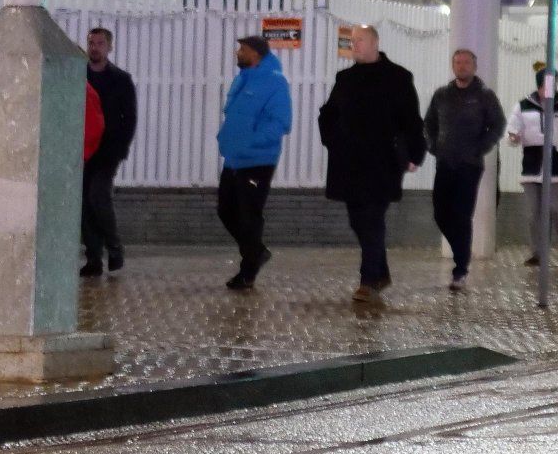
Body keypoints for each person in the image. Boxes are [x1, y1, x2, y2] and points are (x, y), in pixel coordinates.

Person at [317, 25, 424, 302]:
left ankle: (368, 281)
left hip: (383, 162)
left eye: (360, 40)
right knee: (358, 220)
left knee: (373, 218)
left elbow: (411, 119)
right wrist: (333, 140)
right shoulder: (345, 78)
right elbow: (328, 114)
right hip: (349, 162)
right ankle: (381, 272)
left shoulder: (398, 78)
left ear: (375, 43)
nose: (354, 45)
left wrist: (414, 154)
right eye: (352, 41)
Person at [423, 48, 506, 292]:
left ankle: (460, 269)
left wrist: (480, 148)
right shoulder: (441, 96)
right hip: (445, 163)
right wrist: (434, 146)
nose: (461, 66)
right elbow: (429, 124)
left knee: (461, 215)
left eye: (466, 62)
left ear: (474, 66)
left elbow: (498, 125)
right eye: (457, 62)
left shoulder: (484, 96)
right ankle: (462, 249)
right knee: (440, 213)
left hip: (469, 166)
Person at [217, 34, 293, 291]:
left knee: (249, 215)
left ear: (256, 54)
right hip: (235, 159)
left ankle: (248, 270)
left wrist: (250, 142)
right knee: (226, 210)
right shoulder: (243, 79)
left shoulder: (275, 83)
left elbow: (280, 122)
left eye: (243, 49)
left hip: (258, 160)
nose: (238, 52)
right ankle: (257, 251)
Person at [80, 25, 137, 278]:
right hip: (81, 150)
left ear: (110, 47)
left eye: (100, 43)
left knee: (98, 195)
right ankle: (93, 258)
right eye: (92, 42)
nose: (95, 47)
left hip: (107, 151)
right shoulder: (77, 75)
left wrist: (120, 149)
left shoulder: (121, 79)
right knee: (83, 204)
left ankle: (114, 248)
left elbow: (129, 118)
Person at [509, 64, 558, 268]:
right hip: (531, 166)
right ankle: (538, 252)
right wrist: (514, 137)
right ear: (539, 85)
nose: (550, 88)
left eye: (553, 83)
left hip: (555, 166)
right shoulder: (523, 105)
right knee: (533, 213)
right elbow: (513, 130)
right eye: (546, 84)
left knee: (555, 208)